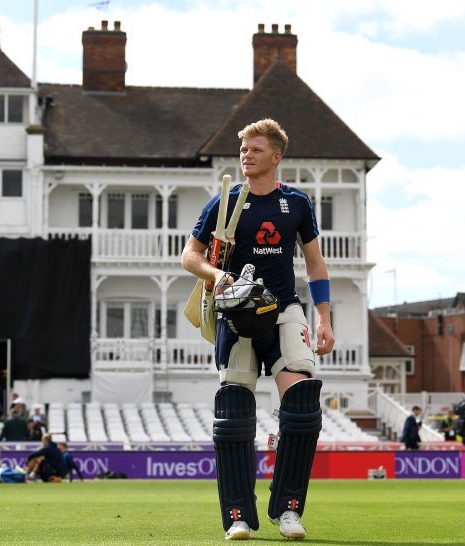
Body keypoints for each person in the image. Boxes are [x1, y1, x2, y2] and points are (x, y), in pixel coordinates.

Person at [180, 119, 335, 541]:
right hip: (237, 315)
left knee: (302, 406)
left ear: (276, 157)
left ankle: (288, 510)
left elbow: (315, 264)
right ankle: (238, 516)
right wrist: (216, 275)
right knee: (233, 415)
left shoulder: (298, 204)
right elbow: (189, 256)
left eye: (255, 149)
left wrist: (323, 316)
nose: (246, 155)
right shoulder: (224, 203)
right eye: (243, 149)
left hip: (284, 310)